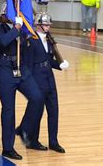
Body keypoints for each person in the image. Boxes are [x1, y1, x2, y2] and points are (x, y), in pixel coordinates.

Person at [0, 3, 44, 160]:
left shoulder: (22, 28)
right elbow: (2, 42)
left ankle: (23, 128)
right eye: (6, 14)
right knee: (9, 110)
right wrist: (16, 28)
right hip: (4, 70)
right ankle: (7, 148)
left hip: (21, 69)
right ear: (3, 16)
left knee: (37, 97)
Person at [19, 13, 69, 154]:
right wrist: (30, 82)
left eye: (49, 25)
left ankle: (53, 142)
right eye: (46, 25)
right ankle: (32, 140)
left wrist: (60, 65)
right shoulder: (31, 40)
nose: (48, 28)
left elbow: (49, 60)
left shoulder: (49, 40)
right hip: (37, 78)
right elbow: (27, 63)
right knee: (37, 112)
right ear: (38, 25)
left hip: (49, 78)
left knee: (54, 111)